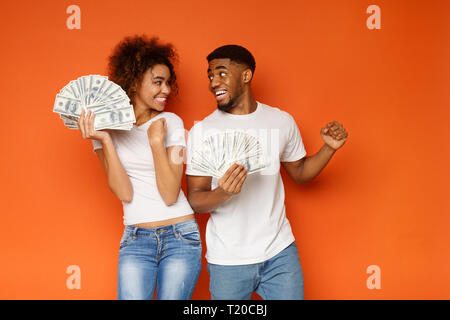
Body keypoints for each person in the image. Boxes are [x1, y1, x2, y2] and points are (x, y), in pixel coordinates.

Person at [185, 45, 348, 300]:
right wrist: (223, 192)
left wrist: (329, 149)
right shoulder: (202, 132)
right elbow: (195, 199)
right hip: (228, 259)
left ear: (246, 76)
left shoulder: (281, 121)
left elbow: (301, 173)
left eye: (221, 73)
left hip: (280, 253)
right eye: (210, 76)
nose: (213, 82)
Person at [78, 35, 201, 300]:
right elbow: (124, 193)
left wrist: (156, 143)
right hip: (136, 238)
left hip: (180, 236)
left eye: (168, 82)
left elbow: (170, 194)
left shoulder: (172, 123)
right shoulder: (105, 131)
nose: (166, 90)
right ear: (134, 82)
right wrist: (106, 141)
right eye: (158, 82)